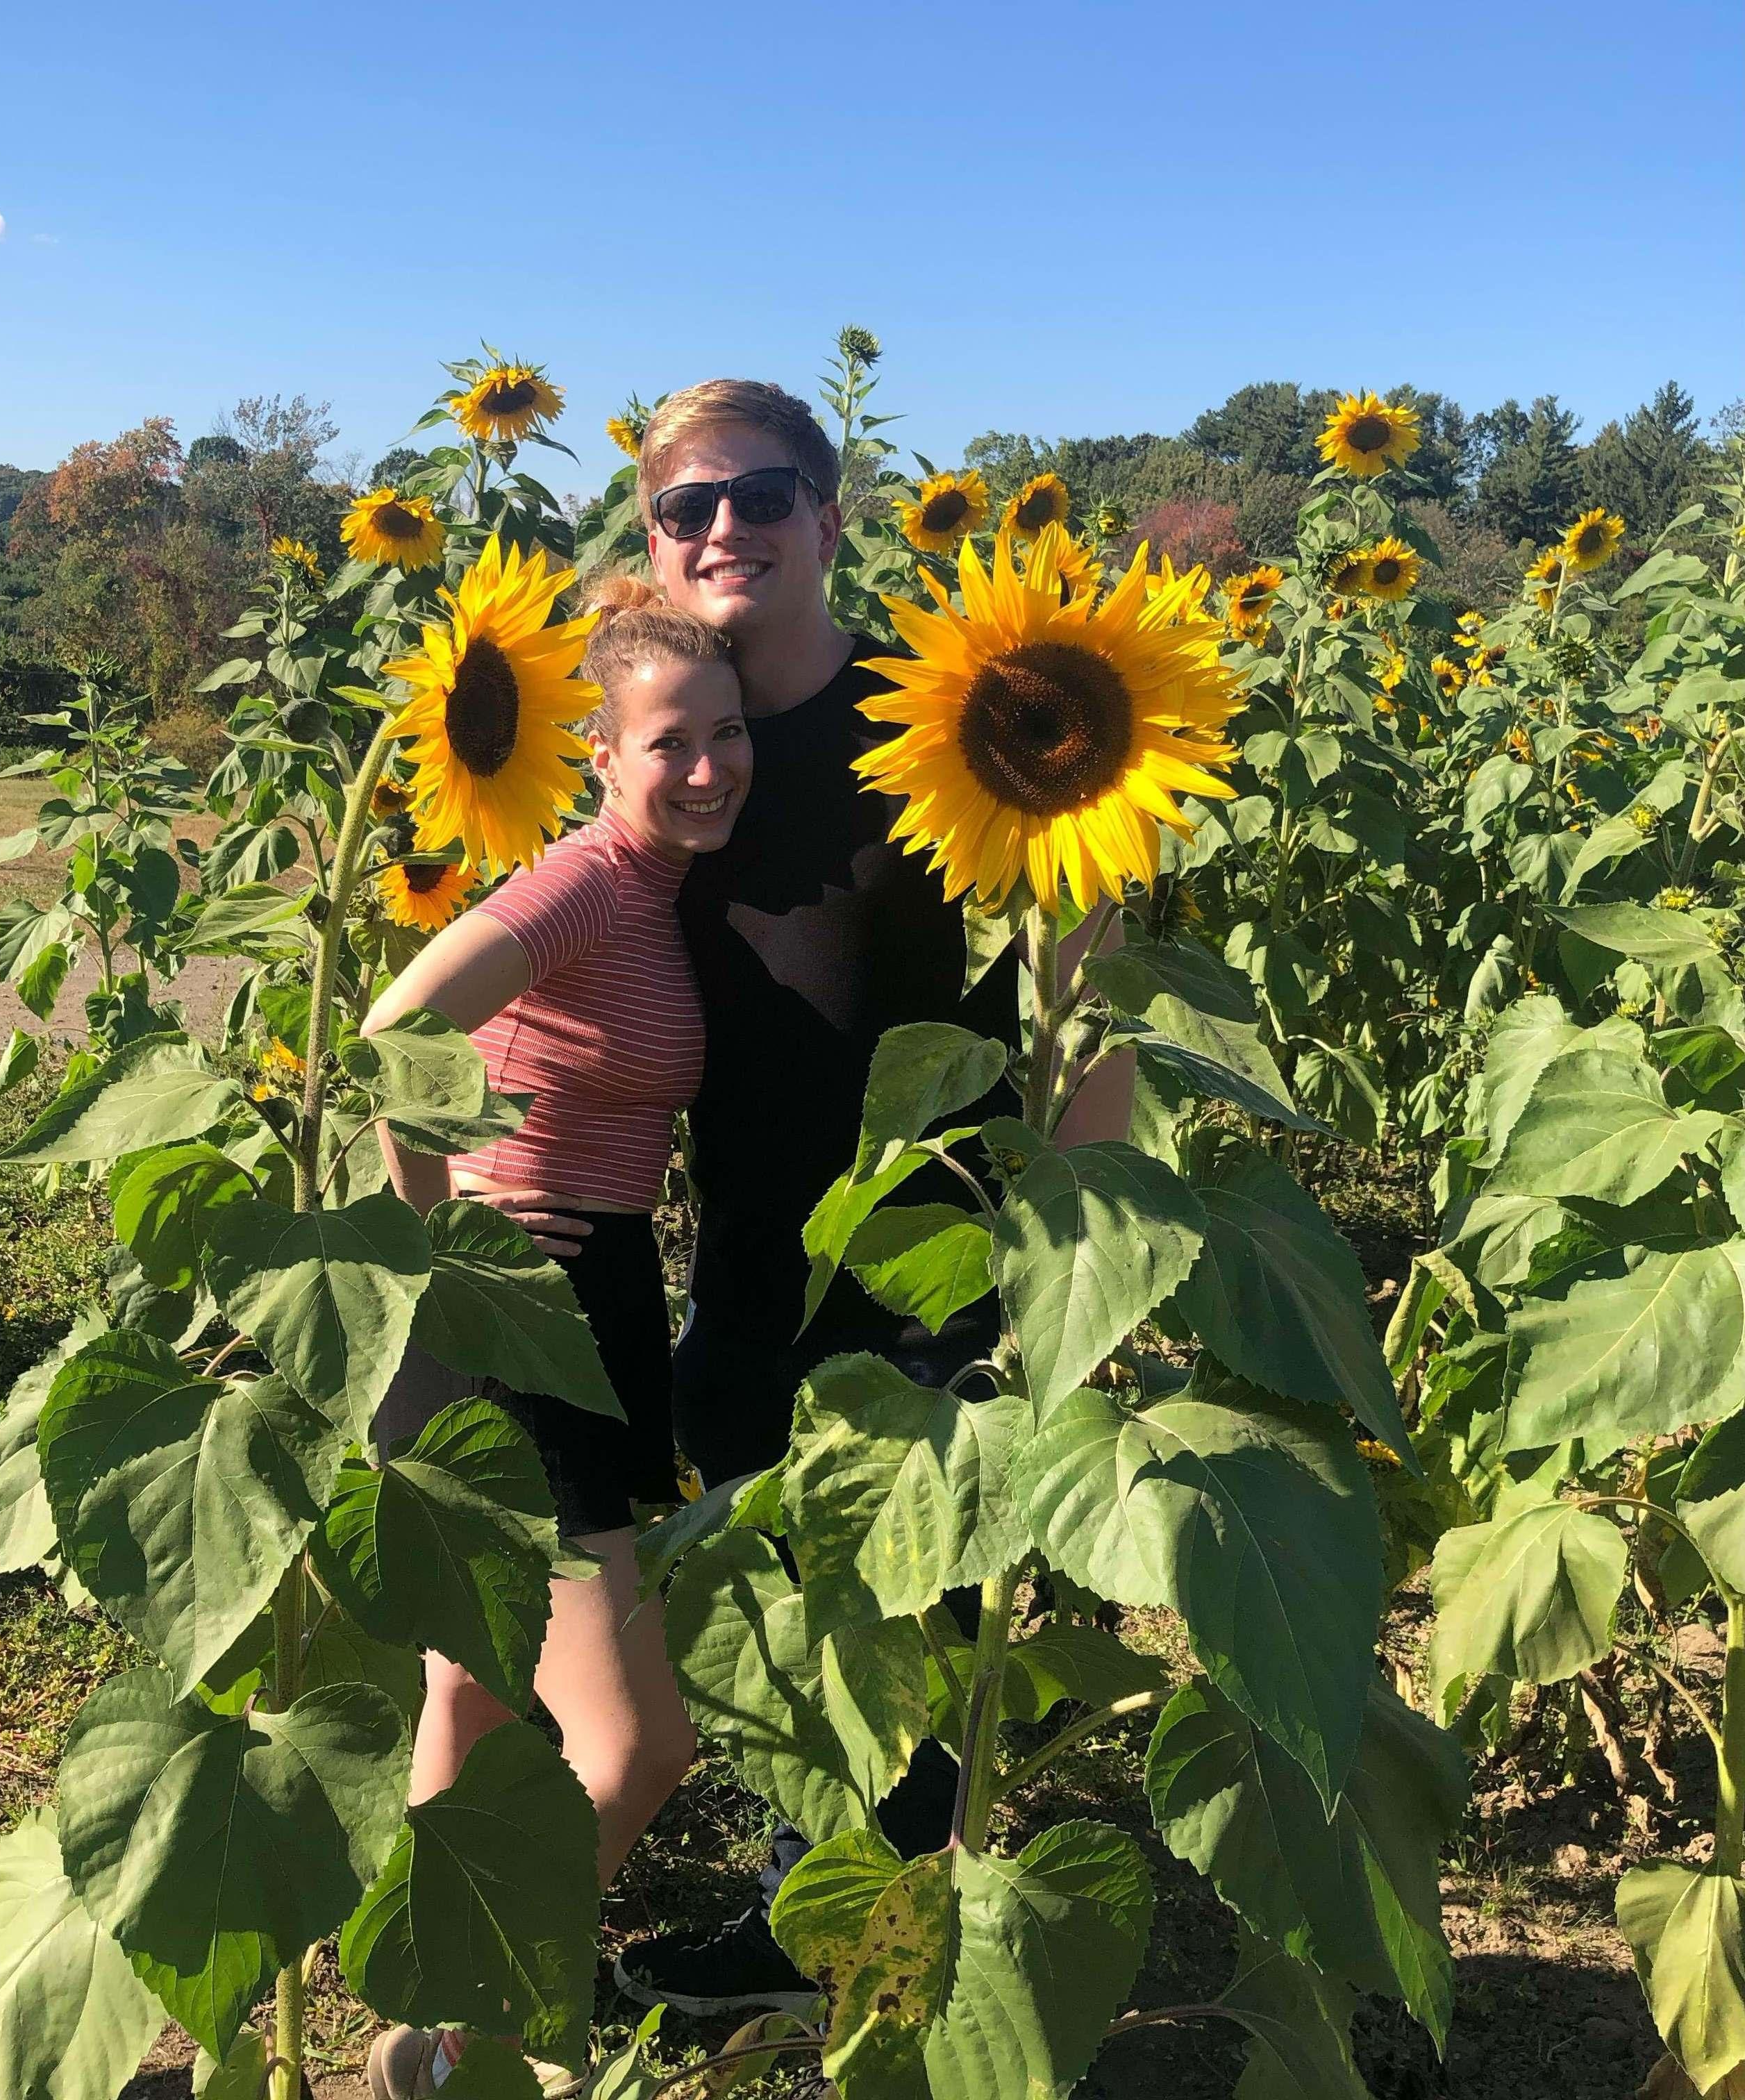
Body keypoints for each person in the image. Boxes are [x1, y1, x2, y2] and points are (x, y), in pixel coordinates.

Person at [608, 380, 1135, 2015]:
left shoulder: (956, 709)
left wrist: (1092, 1274)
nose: (723, 531)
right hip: (749, 1255)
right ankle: (827, 1926)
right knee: (800, 1631)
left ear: (831, 520)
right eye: (687, 507)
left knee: (918, 1616)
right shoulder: (675, 754)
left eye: (761, 496)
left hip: (949, 1259)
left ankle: (880, 1964)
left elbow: (1087, 975)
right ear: (652, 539)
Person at [362, 579, 751, 2099]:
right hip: (524, 1300)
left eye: (729, 734)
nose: (711, 766)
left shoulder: (652, 889)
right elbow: (403, 1027)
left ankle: (415, 2027)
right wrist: (436, 1235)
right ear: (600, 751)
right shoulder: (587, 882)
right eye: (674, 741)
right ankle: (484, 2019)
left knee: (469, 1686)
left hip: (580, 1301)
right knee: (643, 1740)